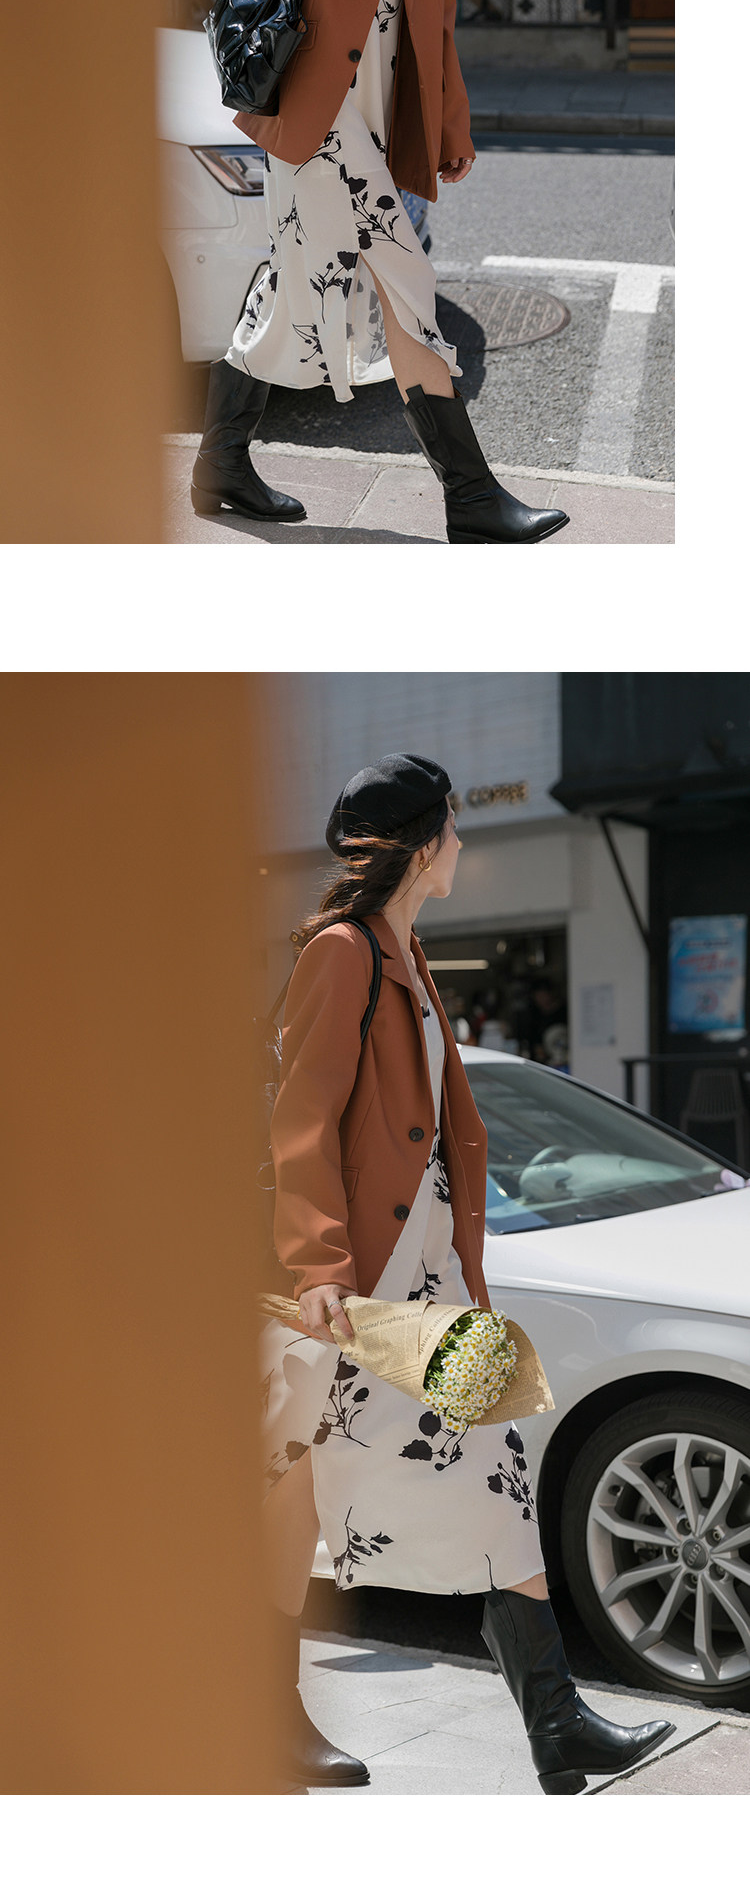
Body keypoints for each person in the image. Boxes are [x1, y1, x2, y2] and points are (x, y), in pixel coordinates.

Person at [263, 748, 667, 1791]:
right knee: (292, 1494)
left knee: (498, 1469)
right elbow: (301, 1119)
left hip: (431, 1274)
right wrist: (318, 1263)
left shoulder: (408, 954)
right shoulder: (344, 953)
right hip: (357, 1282)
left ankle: (557, 1723)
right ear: (423, 842)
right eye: (452, 825)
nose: (461, 842)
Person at [191, 0, 567, 552]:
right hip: (318, 116)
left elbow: (433, 22)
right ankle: (470, 496)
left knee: (288, 287)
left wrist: (450, 124)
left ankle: (220, 465)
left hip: (375, 115)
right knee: (406, 277)